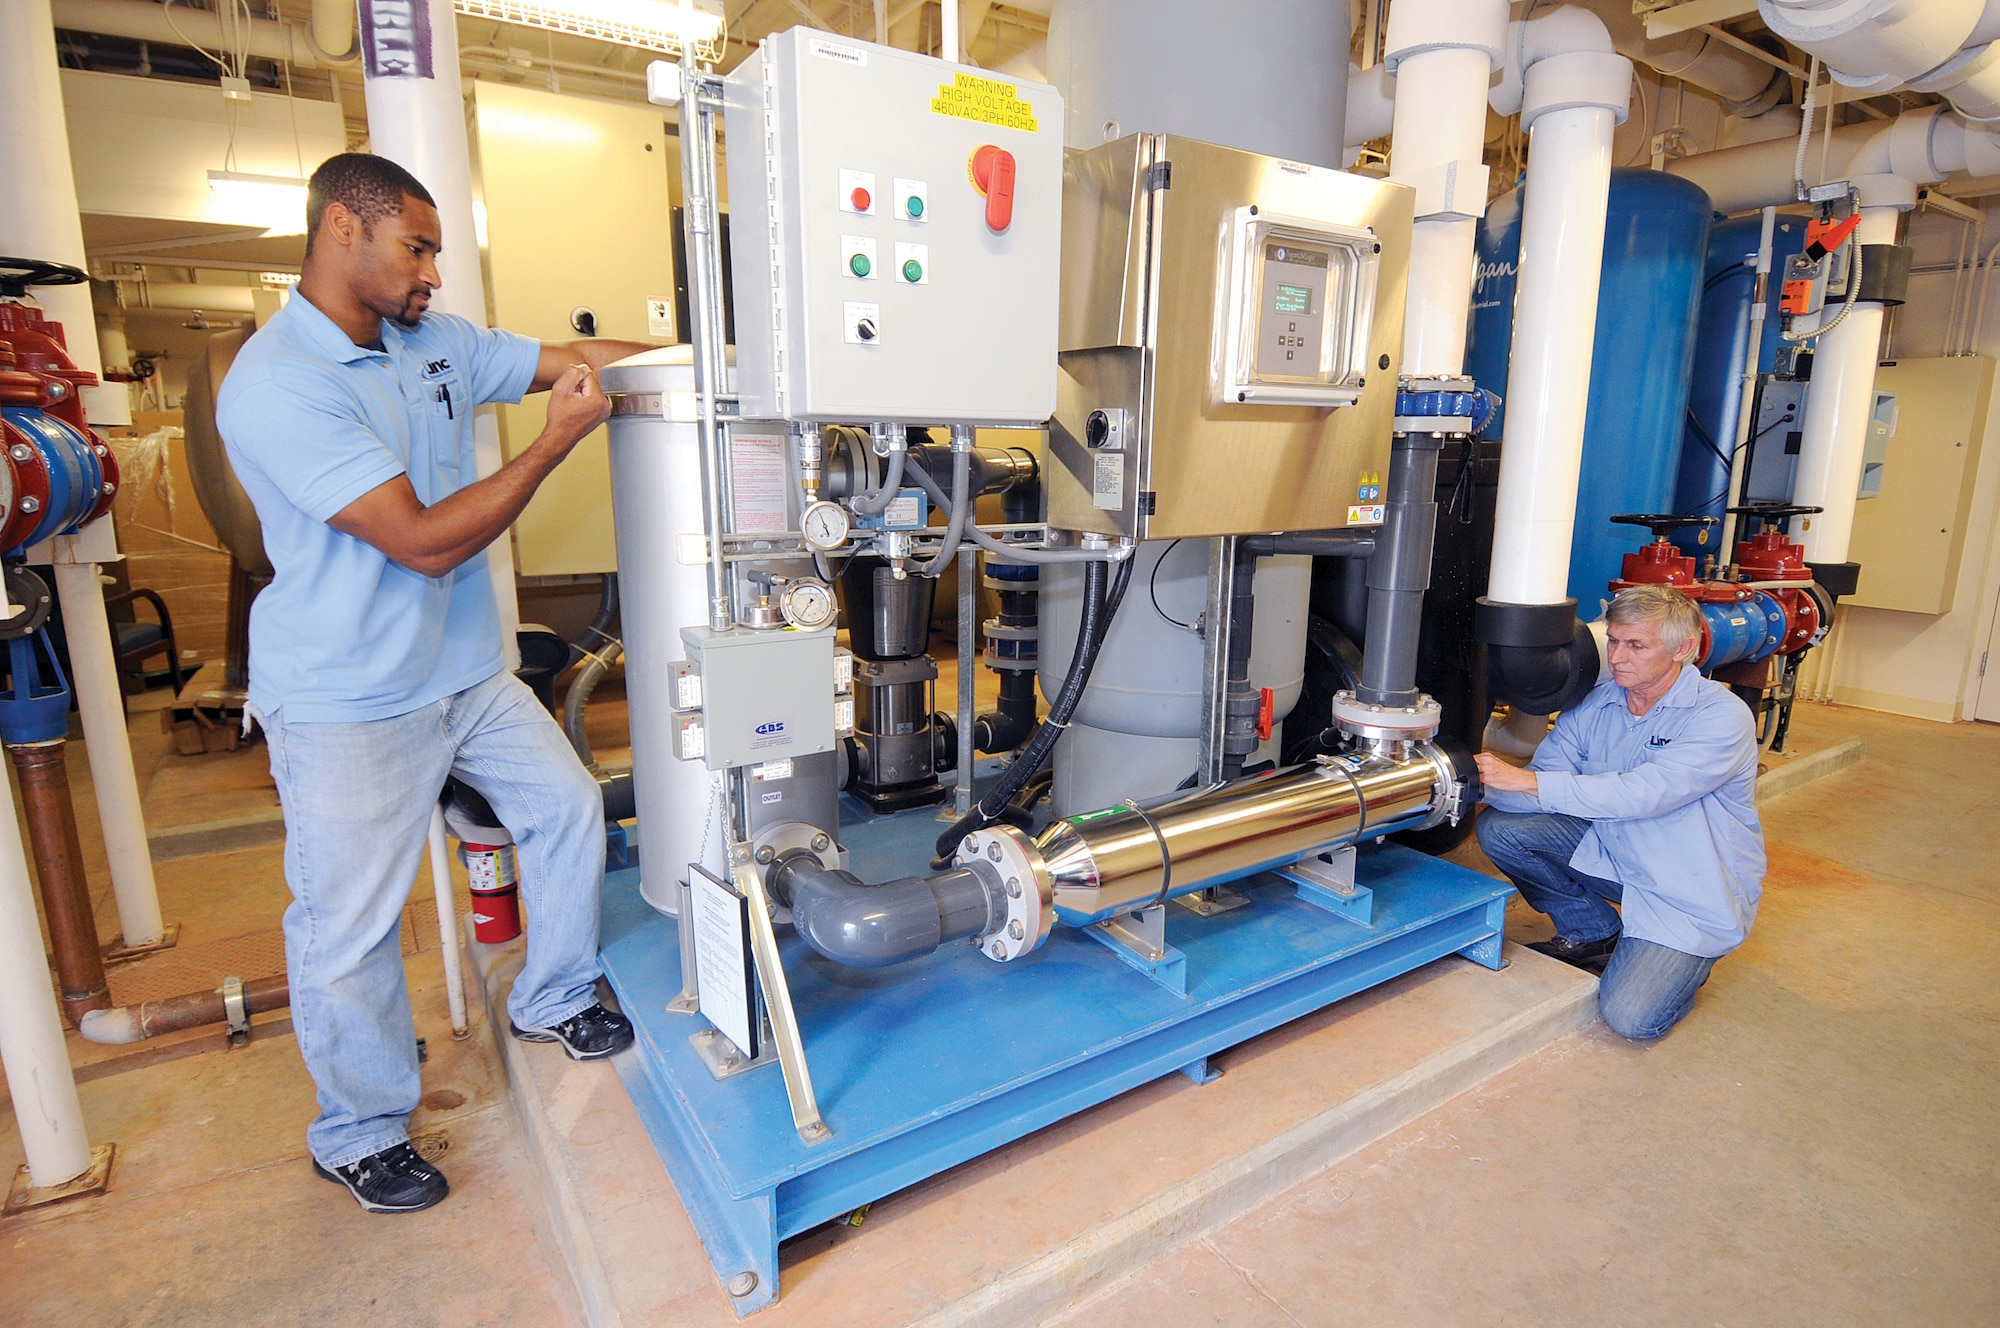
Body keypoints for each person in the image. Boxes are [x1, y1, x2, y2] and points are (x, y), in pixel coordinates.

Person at [218, 153, 654, 1214]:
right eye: (416, 249)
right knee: (349, 926)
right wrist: (551, 447)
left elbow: (571, 357)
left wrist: (708, 360)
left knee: (559, 808)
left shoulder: (431, 340)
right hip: (347, 695)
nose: (431, 274)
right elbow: (416, 540)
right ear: (339, 234)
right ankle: (359, 1130)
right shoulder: (278, 382)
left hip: (463, 671)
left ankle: (549, 993)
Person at [1473, 584, 1764, 1042]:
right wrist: (1467, 784)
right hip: (1617, 854)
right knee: (1501, 829)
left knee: (1631, 1018)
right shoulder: (1594, 705)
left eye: (1636, 645)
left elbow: (1647, 793)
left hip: (1684, 888)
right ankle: (1594, 932)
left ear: (1682, 650)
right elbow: (1544, 786)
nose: (1618, 657)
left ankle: (1680, 960)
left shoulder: (1718, 717)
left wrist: (1523, 779)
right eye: (1613, 641)